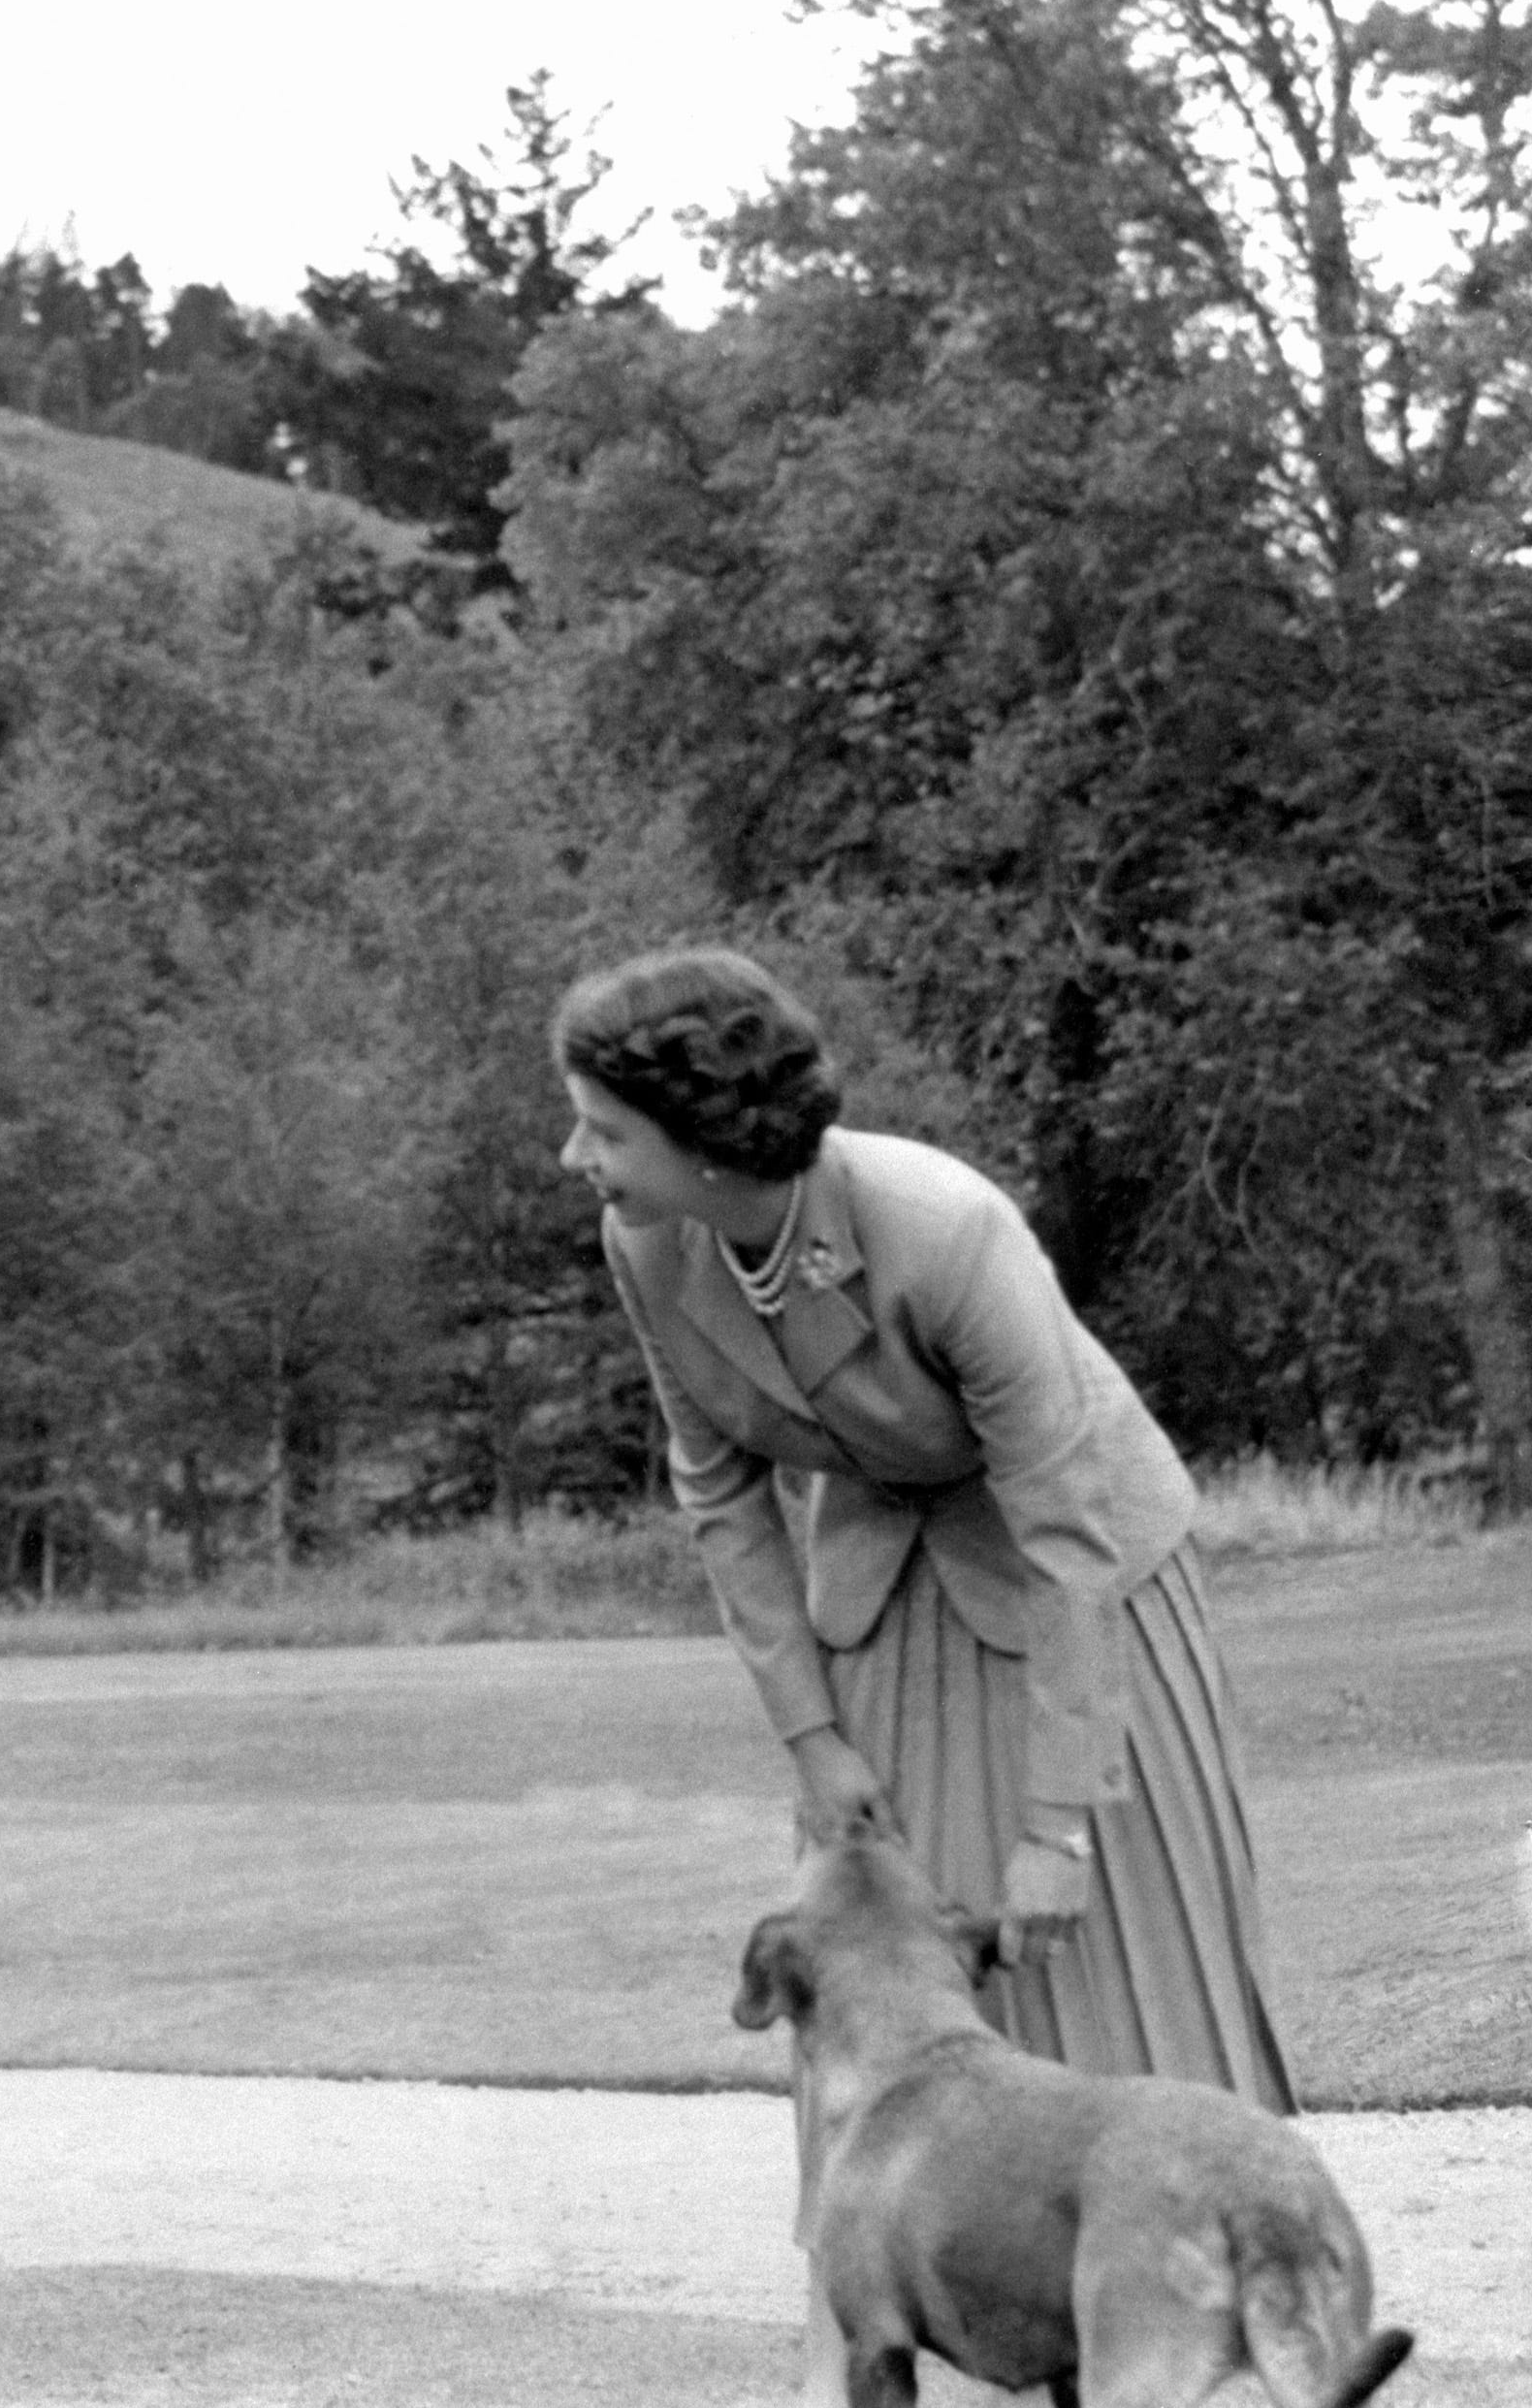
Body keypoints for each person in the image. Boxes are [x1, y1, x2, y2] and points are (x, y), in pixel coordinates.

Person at [553, 947, 1291, 2404]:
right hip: (884, 1588)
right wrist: (812, 1738)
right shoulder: (648, 1242)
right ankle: (883, 2338)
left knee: (1110, 1964)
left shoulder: (947, 1228)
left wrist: (1058, 1824)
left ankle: (1196, 2326)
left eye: (603, 1128)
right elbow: (720, 1496)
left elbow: (1068, 1531)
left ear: (709, 1144)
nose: (576, 1153)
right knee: (886, 1962)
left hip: (1084, 1585)